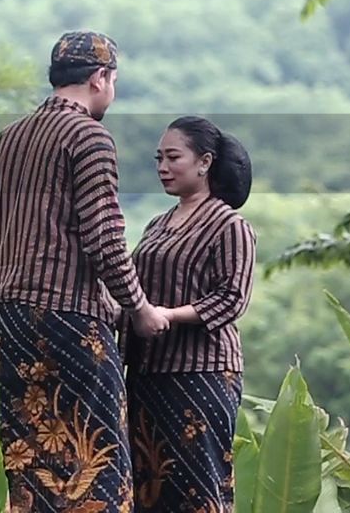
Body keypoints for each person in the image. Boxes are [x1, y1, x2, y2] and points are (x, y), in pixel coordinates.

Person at [0, 29, 170, 513]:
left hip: (8, 315)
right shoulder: (89, 136)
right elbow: (105, 236)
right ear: (100, 78)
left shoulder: (9, 138)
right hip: (68, 316)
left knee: (30, 453)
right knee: (98, 455)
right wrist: (139, 306)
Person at [123, 116, 257, 513]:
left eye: (173, 157)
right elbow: (139, 295)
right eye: (158, 158)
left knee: (196, 488)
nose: (162, 167)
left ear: (204, 162)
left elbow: (232, 298)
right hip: (146, 373)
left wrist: (169, 314)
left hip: (200, 374)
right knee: (147, 489)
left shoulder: (229, 225)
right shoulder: (156, 225)